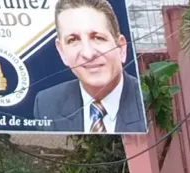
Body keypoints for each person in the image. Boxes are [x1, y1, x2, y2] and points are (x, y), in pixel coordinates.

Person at [25, 0, 146, 133]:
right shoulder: (46, 104)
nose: (88, 54)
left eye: (98, 38)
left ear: (121, 48)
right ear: (61, 52)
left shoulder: (147, 102)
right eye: (73, 40)